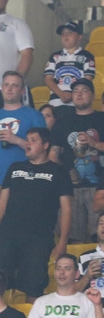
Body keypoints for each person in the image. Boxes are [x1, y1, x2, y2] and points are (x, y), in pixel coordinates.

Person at [0, 127, 72, 300]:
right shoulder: (14, 167)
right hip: (7, 235)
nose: (28, 143)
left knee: (33, 284)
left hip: (38, 238)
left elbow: (67, 209)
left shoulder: (59, 172)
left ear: (46, 145)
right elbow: (2, 202)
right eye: (27, 139)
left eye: (34, 140)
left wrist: (62, 241)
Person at [0, 71, 46, 240]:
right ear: (1, 88)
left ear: (22, 91)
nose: (10, 89)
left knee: (19, 234)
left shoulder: (33, 115)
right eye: (6, 84)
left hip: (22, 183)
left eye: (15, 85)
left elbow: (42, 150)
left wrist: (17, 140)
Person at [49, 78, 104, 242]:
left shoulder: (102, 119)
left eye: (84, 90)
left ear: (93, 96)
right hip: (70, 188)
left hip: (100, 188)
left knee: (99, 237)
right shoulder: (62, 122)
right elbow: (53, 154)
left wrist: (94, 143)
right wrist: (62, 175)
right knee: (74, 239)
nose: (79, 94)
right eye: (75, 90)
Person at [44, 20, 94, 107]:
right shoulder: (55, 56)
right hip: (56, 102)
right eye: (63, 34)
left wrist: (73, 94)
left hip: (77, 103)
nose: (65, 35)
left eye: (70, 32)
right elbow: (48, 78)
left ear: (80, 37)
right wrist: (61, 94)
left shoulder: (87, 56)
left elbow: (87, 80)